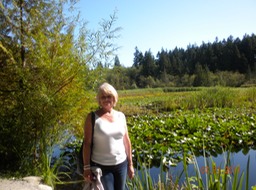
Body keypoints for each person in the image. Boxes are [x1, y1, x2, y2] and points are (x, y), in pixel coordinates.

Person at [83, 82, 135, 190]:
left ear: (114, 98)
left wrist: (130, 164)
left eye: (109, 96)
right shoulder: (92, 117)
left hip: (121, 164)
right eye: (103, 97)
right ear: (99, 100)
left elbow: (126, 140)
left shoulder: (121, 116)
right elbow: (87, 143)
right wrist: (87, 167)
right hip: (101, 167)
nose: (106, 99)